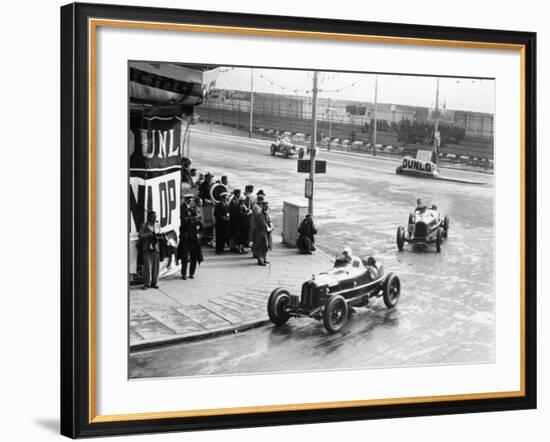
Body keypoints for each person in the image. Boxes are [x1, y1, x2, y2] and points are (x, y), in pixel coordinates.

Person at [177, 205, 203, 279]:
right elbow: (181, 229)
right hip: (186, 242)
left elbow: (201, 231)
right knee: (184, 258)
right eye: (192, 216)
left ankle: (191, 273)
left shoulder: (198, 223)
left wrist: (199, 235)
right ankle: (183, 274)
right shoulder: (186, 222)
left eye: (195, 216)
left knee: (193, 258)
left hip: (194, 242)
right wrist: (184, 235)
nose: (194, 218)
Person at [138, 211, 160, 290]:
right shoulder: (144, 225)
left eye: (155, 217)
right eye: (153, 217)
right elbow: (140, 235)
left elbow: (159, 234)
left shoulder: (157, 225)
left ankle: (155, 283)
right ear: (149, 217)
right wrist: (148, 235)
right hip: (147, 248)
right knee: (147, 267)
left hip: (156, 248)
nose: (155, 218)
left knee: (156, 267)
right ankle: (147, 284)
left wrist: (160, 236)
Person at [253, 200, 273, 266]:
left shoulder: (267, 214)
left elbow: (269, 221)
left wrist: (271, 225)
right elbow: (263, 224)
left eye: (267, 206)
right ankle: (260, 260)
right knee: (262, 246)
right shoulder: (259, 214)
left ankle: (264, 258)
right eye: (266, 206)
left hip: (266, 232)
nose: (267, 207)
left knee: (266, 246)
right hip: (261, 233)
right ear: (262, 206)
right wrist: (269, 228)